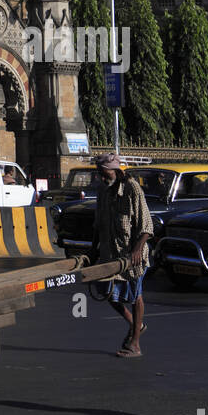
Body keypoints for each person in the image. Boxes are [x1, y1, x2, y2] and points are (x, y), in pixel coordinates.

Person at [92, 153, 153, 358]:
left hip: (131, 254)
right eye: (99, 173)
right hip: (110, 253)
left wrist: (137, 250)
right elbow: (98, 223)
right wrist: (92, 251)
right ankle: (135, 324)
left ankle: (135, 344)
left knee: (136, 296)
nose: (101, 177)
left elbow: (146, 226)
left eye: (104, 173)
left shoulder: (132, 189)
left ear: (116, 171)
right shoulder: (103, 190)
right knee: (104, 290)